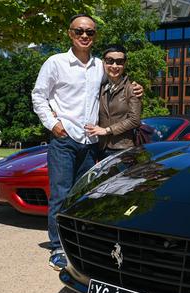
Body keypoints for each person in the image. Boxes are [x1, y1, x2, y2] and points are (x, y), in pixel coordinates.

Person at [32, 14, 143, 270]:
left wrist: (136, 88)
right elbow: (39, 96)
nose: (84, 36)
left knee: (84, 197)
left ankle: (80, 245)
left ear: (95, 36)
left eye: (90, 32)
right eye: (79, 31)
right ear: (70, 33)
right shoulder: (55, 63)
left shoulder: (98, 67)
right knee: (60, 195)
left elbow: (117, 82)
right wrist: (53, 124)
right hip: (64, 140)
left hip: (90, 142)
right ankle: (58, 248)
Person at [85, 44, 141, 160]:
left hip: (122, 150)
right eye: (110, 61)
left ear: (124, 64)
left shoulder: (131, 89)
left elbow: (134, 120)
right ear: (103, 63)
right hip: (100, 147)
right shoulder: (99, 87)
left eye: (119, 62)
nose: (114, 66)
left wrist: (107, 130)